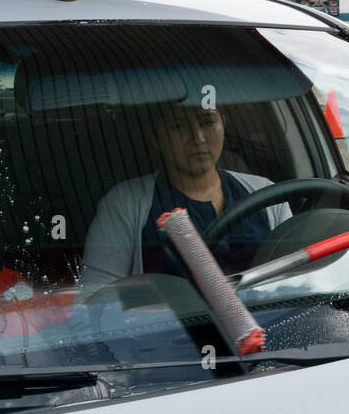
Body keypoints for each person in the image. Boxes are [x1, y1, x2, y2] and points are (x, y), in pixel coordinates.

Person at [79, 103, 290, 296]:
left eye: (207, 122)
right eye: (178, 126)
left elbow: (298, 278)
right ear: (156, 138)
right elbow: (95, 298)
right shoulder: (125, 203)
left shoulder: (266, 194)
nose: (198, 138)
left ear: (223, 126)